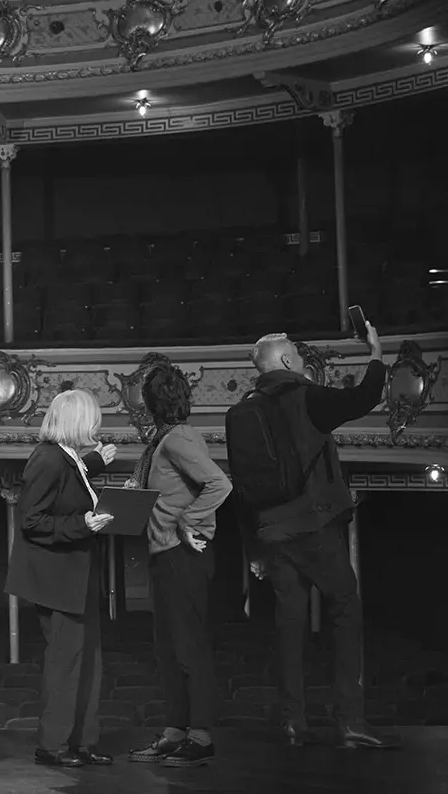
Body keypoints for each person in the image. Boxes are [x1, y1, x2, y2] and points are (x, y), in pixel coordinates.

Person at [226, 325, 399, 750]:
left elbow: (241, 488)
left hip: (271, 532)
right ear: (286, 363)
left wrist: (254, 548)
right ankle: (350, 718)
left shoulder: (242, 411)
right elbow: (364, 397)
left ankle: (292, 721)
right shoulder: (306, 397)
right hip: (311, 524)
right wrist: (376, 354)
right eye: (298, 358)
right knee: (345, 603)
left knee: (290, 618)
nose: (303, 364)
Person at [6, 388, 120, 769]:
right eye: (91, 417)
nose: (96, 424)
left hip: (77, 573)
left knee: (89, 660)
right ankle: (52, 745)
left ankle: (82, 742)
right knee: (66, 662)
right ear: (76, 421)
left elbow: (72, 481)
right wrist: (82, 524)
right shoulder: (47, 458)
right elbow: (32, 521)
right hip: (56, 578)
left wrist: (94, 465)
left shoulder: (68, 457)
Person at [125, 364, 232, 767]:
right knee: (169, 649)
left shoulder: (178, 439)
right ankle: (176, 731)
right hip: (165, 553)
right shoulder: (163, 440)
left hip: (183, 554)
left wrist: (188, 521)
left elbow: (220, 483)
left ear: (151, 404)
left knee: (189, 647)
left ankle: (200, 736)